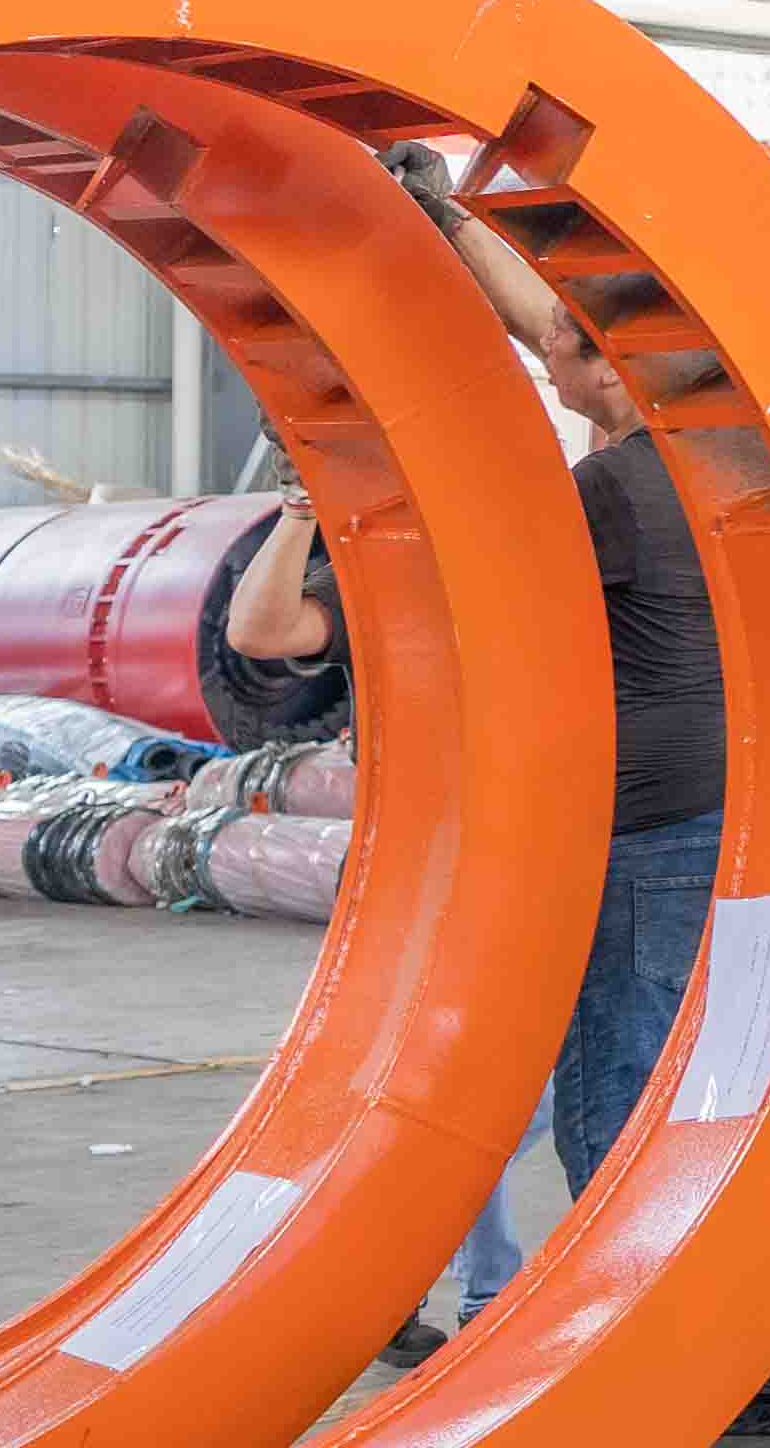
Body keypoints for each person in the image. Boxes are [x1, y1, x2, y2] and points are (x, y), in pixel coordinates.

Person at [401, 162, 770, 1439]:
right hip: (753, 816)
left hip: (652, 834)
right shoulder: (723, 453)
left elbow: (496, 586)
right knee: (728, 1097)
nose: (546, 362)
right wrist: (450, 221)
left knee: (618, 1105)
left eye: (561, 354)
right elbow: (569, 335)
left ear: (609, 369)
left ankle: (681, 1352)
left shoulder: (608, 491)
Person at [223, 479, 556, 1373]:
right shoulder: (392, 571)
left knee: (496, 1094)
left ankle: (417, 1274)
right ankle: (441, 1283)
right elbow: (258, 630)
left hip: (535, 855)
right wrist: (298, 512)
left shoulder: (548, 557)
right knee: (456, 1094)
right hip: (426, 869)